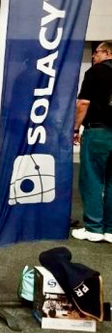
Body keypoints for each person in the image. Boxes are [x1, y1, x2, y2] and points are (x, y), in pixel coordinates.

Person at [71, 40, 112, 243]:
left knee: (93, 179)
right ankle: (110, 229)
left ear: (106, 53)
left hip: (99, 132)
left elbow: (83, 103)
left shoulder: (95, 72)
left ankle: (94, 228)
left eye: (96, 52)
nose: (94, 56)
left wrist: (75, 128)